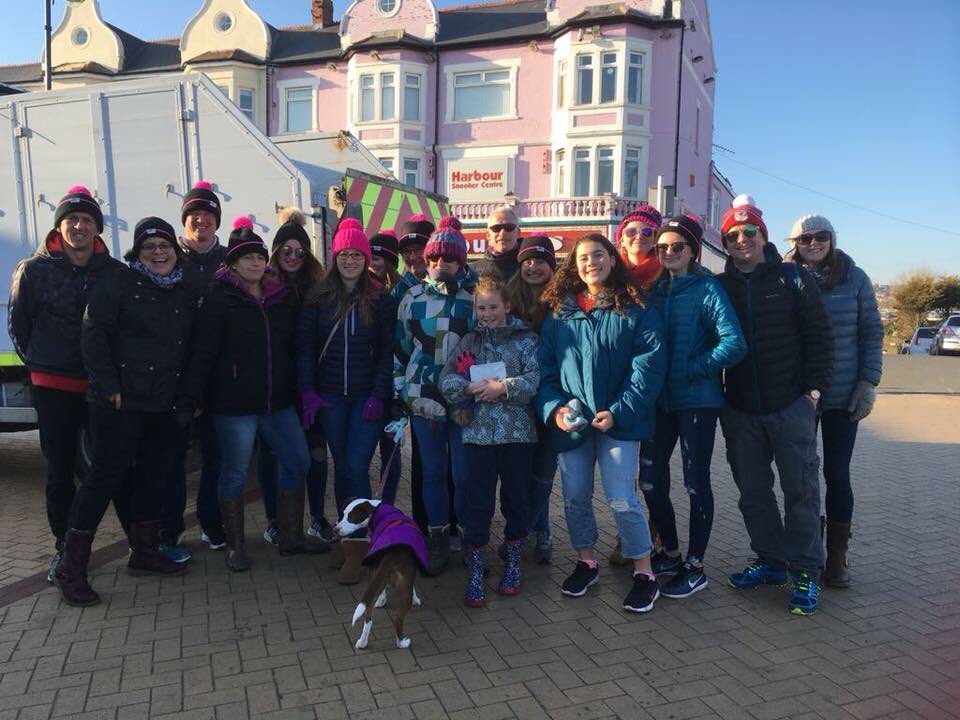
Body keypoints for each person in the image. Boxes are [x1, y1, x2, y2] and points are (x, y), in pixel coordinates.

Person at [53, 217, 196, 605]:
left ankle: (145, 552)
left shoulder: (183, 289)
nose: (158, 253)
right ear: (138, 252)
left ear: (175, 250)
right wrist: (109, 386)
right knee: (103, 480)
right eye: (149, 247)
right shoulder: (116, 283)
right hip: (120, 403)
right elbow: (93, 333)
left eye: (165, 245)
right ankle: (71, 566)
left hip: (163, 404)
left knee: (153, 478)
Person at [534, 233, 667, 613]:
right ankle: (586, 561)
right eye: (582, 259)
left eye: (597, 255)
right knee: (575, 496)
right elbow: (544, 370)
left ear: (612, 259)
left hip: (619, 424)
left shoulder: (636, 307)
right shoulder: (560, 312)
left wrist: (621, 410)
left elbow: (648, 366)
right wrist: (555, 409)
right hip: (572, 424)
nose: (590, 262)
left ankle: (644, 571)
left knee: (622, 498)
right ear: (574, 268)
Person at [718, 195, 834, 616]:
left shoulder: (793, 278)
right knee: (753, 492)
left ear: (763, 237)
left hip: (791, 405)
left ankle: (805, 570)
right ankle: (770, 561)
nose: (742, 240)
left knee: (800, 490)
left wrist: (813, 392)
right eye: (733, 235)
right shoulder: (721, 285)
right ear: (725, 242)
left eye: (750, 233)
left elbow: (820, 337)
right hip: (741, 408)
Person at [179, 217, 313, 571]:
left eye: (260, 257)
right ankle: (235, 545)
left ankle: (290, 536)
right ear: (234, 263)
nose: (256, 263)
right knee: (235, 472)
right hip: (234, 406)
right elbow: (204, 352)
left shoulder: (279, 298)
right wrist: (192, 397)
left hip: (277, 402)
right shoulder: (219, 298)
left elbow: (291, 348)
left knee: (298, 460)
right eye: (248, 257)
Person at [7, 185, 124, 586]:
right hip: (53, 383)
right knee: (58, 470)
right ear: (60, 226)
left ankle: (109, 537)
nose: (79, 226)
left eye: (88, 220)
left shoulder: (113, 272)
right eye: (72, 219)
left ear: (98, 229)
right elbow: (17, 325)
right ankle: (65, 545)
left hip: (99, 385)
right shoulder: (35, 269)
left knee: (106, 466)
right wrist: (40, 364)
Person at [640, 216, 746, 599]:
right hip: (660, 402)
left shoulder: (707, 290)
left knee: (694, 482)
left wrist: (691, 369)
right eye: (662, 247)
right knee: (650, 481)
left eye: (677, 247)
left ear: (693, 251)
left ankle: (696, 565)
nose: (668, 253)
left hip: (698, 401)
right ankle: (669, 550)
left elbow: (734, 344)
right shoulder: (655, 291)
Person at [297, 217, 397, 584]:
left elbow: (387, 352)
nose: (350, 260)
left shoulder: (379, 298)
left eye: (357, 254)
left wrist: (378, 394)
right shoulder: (318, 297)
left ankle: (359, 545)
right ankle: (347, 539)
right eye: (344, 253)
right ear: (335, 256)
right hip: (329, 398)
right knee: (343, 468)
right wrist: (308, 391)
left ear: (366, 258)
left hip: (365, 399)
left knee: (356, 466)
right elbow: (305, 349)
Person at [785, 214, 882, 588]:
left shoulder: (854, 278)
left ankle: (837, 556)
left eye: (821, 236)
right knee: (801, 476)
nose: (813, 243)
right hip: (799, 395)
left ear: (832, 239)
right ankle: (808, 549)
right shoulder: (785, 277)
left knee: (836, 475)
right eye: (805, 238)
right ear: (795, 242)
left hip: (843, 395)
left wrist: (868, 381)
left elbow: (872, 332)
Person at [439, 273, 539, 606]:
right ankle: (477, 566)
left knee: (516, 499)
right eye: (481, 308)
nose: (487, 313)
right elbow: (447, 381)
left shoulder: (526, 339)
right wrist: (467, 388)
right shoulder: (469, 341)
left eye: (493, 306)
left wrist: (504, 387)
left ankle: (512, 563)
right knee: (477, 501)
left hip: (517, 434)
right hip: (478, 435)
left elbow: (535, 379)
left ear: (507, 306)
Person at [395, 216, 476, 575]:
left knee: (463, 474)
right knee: (432, 471)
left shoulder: (472, 300)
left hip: (462, 401)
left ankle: (468, 536)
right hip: (423, 398)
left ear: (461, 262)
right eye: (433, 259)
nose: (439, 265)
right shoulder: (411, 298)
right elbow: (399, 349)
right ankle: (437, 537)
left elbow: (484, 348)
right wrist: (401, 390)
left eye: (448, 259)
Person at [257, 208, 332, 548]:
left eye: (299, 251)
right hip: (277, 386)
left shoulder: (320, 289)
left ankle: (317, 517)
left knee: (317, 454)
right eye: (285, 250)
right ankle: (277, 522)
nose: (292, 256)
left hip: (314, 386)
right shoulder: (262, 288)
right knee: (275, 456)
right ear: (275, 252)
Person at [165, 180, 228, 557]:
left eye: (207, 214)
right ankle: (170, 527)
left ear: (216, 221)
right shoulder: (170, 256)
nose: (201, 220)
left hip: (219, 378)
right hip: (175, 376)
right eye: (194, 215)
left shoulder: (229, 259)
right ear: (185, 220)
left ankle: (210, 521)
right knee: (173, 457)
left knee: (215, 457)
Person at [610, 202, 665, 568]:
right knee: (624, 473)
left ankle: (658, 536)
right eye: (632, 231)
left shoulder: (668, 277)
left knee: (653, 471)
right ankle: (629, 536)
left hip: (662, 389)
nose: (639, 239)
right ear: (620, 237)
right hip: (621, 389)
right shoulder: (613, 278)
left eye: (648, 232)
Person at [504, 235, 558, 563]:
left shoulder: (564, 300)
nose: (533, 266)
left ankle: (527, 533)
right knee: (522, 473)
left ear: (552, 266)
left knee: (544, 470)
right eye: (527, 261)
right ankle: (537, 531)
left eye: (540, 261)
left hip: (552, 398)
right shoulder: (508, 300)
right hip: (518, 400)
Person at [368, 227, 404, 505]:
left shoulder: (403, 291)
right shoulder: (361, 289)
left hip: (397, 382)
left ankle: (387, 505)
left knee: (391, 449)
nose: (372, 262)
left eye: (378, 257)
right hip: (370, 380)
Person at [616, 203, 663, 291]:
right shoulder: (613, 271)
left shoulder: (665, 273)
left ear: (655, 239)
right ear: (622, 240)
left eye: (646, 232)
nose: (639, 237)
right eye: (631, 232)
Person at [471, 206, 521, 279]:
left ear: (518, 233)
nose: (502, 233)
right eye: (496, 228)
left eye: (509, 227)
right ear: (488, 235)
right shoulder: (473, 271)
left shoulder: (529, 269)